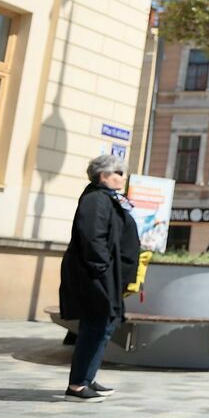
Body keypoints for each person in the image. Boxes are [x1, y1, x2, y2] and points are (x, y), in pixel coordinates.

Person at [58, 154, 140, 402]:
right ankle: (77, 386)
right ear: (104, 176)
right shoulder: (95, 200)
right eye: (119, 173)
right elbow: (92, 238)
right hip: (97, 275)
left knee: (103, 327)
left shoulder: (108, 199)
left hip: (108, 275)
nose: (122, 178)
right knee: (95, 327)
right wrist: (102, 270)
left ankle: (87, 378)